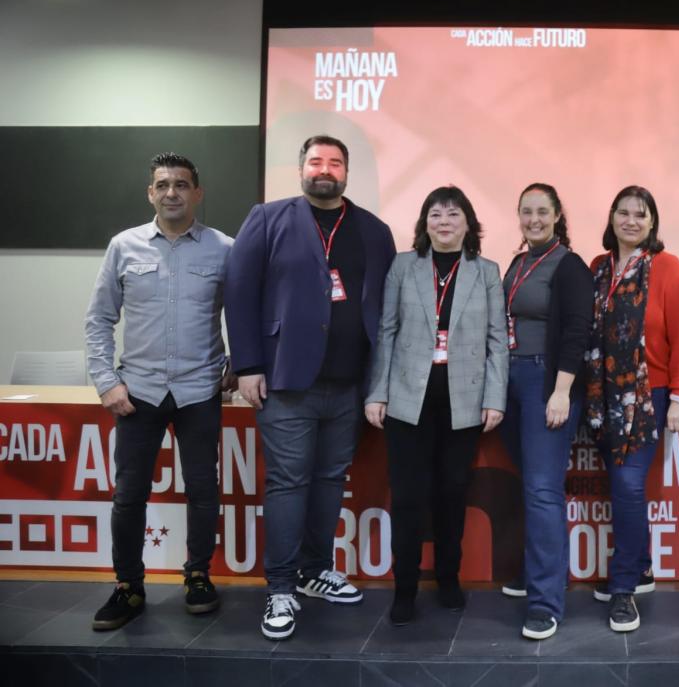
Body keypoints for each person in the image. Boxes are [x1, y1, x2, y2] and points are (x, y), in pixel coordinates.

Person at [226, 135, 395, 640]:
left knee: (328, 481)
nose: (325, 169)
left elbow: (384, 308)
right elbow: (239, 291)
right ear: (301, 168)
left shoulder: (373, 230)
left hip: (348, 384)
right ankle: (280, 586)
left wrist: (379, 382)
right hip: (284, 382)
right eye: (316, 161)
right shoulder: (267, 218)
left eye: (335, 162)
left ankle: (315, 569)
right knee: (288, 482)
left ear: (347, 172)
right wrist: (248, 365)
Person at [84, 152, 234, 631]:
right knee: (129, 496)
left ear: (198, 193)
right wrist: (106, 382)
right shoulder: (123, 246)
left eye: (182, 184)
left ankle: (198, 576)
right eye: (163, 184)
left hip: (200, 390)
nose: (172, 192)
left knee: (204, 491)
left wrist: (239, 365)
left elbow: (249, 316)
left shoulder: (224, 249)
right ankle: (128, 587)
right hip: (138, 392)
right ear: (151, 192)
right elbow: (99, 320)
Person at [365, 186, 508, 626]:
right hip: (409, 400)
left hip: (463, 401)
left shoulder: (486, 271)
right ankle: (403, 588)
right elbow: (387, 330)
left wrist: (494, 398)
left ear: (468, 223)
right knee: (408, 498)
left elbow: (497, 341)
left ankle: (448, 577)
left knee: (451, 494)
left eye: (453, 214)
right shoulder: (405, 267)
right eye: (435, 214)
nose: (444, 222)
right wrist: (377, 392)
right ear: (424, 223)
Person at [586, 185, 679, 632]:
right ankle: (643, 566)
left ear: (653, 223)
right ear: (611, 218)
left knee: (629, 486)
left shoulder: (667, 268)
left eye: (641, 214)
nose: (631, 221)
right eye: (624, 212)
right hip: (604, 396)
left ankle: (624, 588)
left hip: (649, 394)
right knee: (622, 483)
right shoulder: (598, 267)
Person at [496, 184, 593, 640]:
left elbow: (577, 331)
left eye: (542, 212)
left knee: (541, 489)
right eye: (526, 211)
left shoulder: (568, 264)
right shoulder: (517, 263)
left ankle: (546, 603)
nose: (534, 219)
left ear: (557, 215)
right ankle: (542, 572)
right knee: (533, 485)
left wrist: (561, 391)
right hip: (510, 381)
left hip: (545, 383)